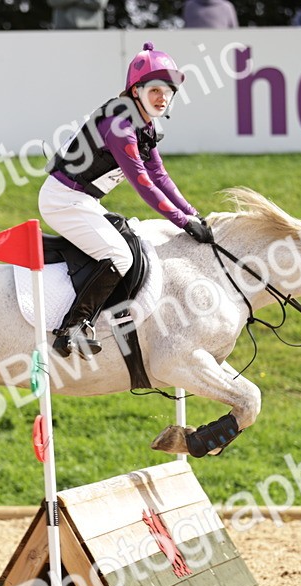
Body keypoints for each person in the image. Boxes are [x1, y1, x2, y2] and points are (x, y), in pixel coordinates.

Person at [39, 41, 212, 359]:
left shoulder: (145, 125)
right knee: (120, 256)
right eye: (156, 90)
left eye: (169, 91)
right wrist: (183, 222)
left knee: (131, 243)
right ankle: (71, 328)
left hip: (84, 199)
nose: (163, 98)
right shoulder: (120, 125)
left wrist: (194, 215)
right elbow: (143, 183)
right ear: (136, 91)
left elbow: (160, 176)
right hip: (62, 199)